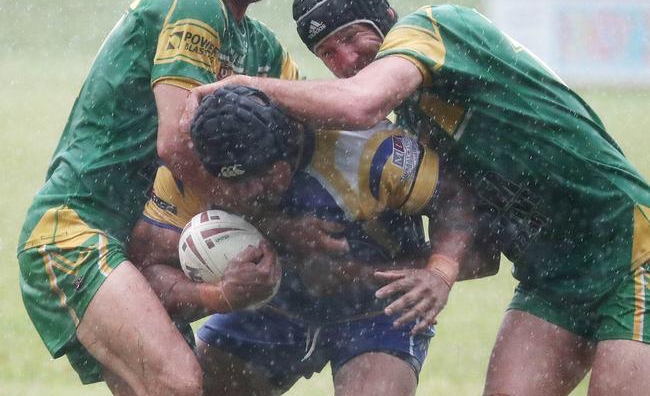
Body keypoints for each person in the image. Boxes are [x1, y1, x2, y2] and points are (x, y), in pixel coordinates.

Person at [196, 0, 650, 395]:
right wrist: (431, 271)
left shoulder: (436, 27)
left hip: (627, 246)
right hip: (550, 275)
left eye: (353, 37)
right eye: (328, 54)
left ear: (387, 18)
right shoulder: (411, 126)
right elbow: (482, 250)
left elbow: (359, 103)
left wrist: (250, 87)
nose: (347, 60)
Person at [17, 0, 298, 394]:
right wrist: (258, 214)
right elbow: (174, 141)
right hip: (73, 231)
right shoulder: (196, 2)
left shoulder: (258, 45)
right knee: (179, 383)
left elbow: (316, 123)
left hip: (128, 241)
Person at [129, 84, 498, 396]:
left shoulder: (369, 152)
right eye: (233, 185)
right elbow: (148, 269)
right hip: (270, 310)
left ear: (287, 142)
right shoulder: (192, 167)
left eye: (262, 176)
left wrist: (437, 272)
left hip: (374, 316)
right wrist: (221, 294)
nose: (250, 192)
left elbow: (471, 228)